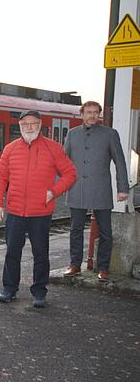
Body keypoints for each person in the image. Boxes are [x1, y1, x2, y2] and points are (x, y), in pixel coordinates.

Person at [0, 110, 76, 308]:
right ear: (20, 125)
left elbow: (70, 174)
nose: (29, 127)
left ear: (40, 124)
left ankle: (39, 292)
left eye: (33, 123)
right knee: (12, 252)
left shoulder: (53, 148)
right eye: (25, 124)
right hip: (15, 211)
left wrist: (53, 192)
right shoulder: (10, 149)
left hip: (40, 212)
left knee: (40, 253)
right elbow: (1, 177)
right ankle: (9, 289)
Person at [63, 101, 129, 282]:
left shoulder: (110, 134)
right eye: (88, 112)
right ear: (82, 114)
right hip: (77, 189)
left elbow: (120, 162)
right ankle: (75, 264)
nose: (92, 115)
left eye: (95, 112)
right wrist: (58, 186)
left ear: (99, 114)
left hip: (101, 189)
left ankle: (103, 268)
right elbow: (63, 162)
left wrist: (122, 188)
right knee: (75, 229)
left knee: (106, 231)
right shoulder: (72, 134)